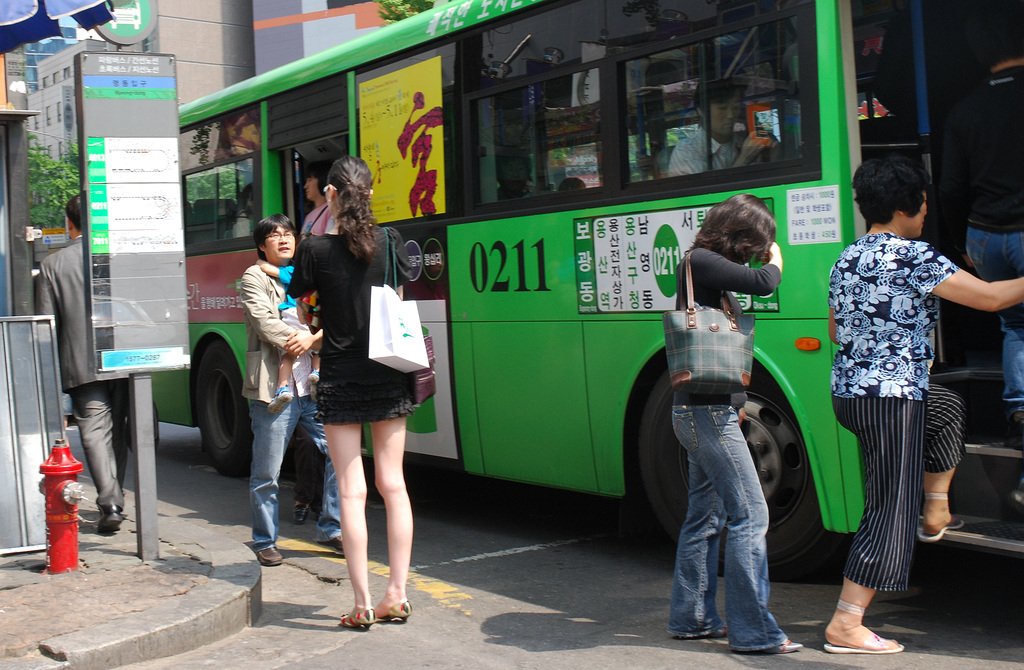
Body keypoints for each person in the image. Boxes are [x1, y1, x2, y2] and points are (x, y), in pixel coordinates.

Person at [825, 155, 1024, 654]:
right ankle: (846, 623)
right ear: (908, 206)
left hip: (852, 394)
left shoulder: (845, 258)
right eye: (924, 203)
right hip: (890, 398)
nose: (926, 211)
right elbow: (992, 298)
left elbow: (834, 330)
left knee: (947, 407)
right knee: (890, 508)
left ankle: (937, 511)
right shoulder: (914, 256)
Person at [666, 194, 799, 654]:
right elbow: (764, 281)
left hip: (704, 410)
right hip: (707, 416)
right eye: (757, 241)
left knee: (705, 516)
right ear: (741, 233)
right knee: (750, 516)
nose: (758, 251)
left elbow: (717, 356)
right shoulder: (702, 261)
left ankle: (692, 618)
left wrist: (737, 401)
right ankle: (753, 631)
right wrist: (776, 256)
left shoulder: (705, 271)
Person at [288, 155, 415, 629]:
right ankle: (396, 595)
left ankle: (361, 603)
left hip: (341, 376)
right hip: (387, 372)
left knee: (350, 490)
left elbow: (300, 296)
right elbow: (399, 300)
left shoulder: (315, 249)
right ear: (371, 193)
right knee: (395, 485)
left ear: (333, 196)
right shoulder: (390, 241)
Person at [938, 0, 1024, 515]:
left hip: (986, 238)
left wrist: (962, 243)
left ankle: (1018, 412)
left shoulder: (964, 109)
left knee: (1016, 328)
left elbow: (950, 188)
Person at [241, 215, 343, 566]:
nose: (283, 239)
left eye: (287, 234)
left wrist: (315, 337)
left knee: (339, 455)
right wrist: (304, 339)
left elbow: (332, 313)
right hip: (275, 388)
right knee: (267, 471)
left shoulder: (308, 271)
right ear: (261, 245)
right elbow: (264, 320)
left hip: (314, 386)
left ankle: (331, 527)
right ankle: (264, 539)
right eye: (274, 235)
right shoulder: (253, 277)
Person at [36, 194, 129, 534]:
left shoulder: (52, 265)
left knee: (94, 433)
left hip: (79, 362)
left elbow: (47, 325)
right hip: (124, 356)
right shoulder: (118, 257)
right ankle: (115, 498)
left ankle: (110, 501)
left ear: (69, 223)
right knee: (119, 429)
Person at [254, 223, 321, 414]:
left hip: (294, 313)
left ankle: (282, 388)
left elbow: (270, 270)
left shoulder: (294, 271)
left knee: (289, 352)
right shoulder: (320, 274)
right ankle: (316, 373)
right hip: (314, 311)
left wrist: (260, 263)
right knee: (318, 350)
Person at [666, 78, 773, 177]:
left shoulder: (743, 144)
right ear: (701, 111)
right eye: (723, 108)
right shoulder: (687, 152)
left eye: (735, 107)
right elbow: (708, 195)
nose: (731, 115)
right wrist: (743, 160)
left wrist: (771, 156)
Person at [300, 161, 333, 238]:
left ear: (322, 180)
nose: (305, 186)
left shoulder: (331, 211)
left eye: (309, 180)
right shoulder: (309, 216)